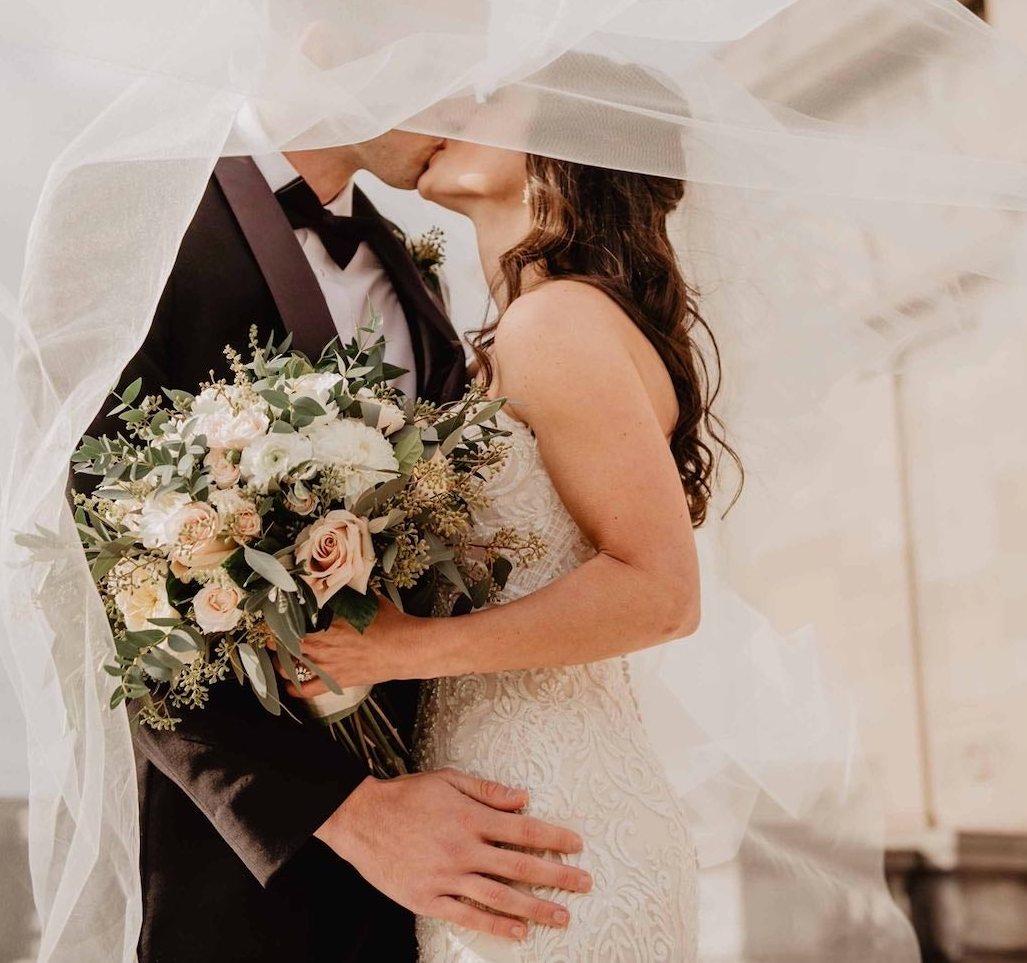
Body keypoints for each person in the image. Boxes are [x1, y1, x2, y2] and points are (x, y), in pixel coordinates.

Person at [70, 0, 591, 963]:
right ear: (328, 43)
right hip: (242, 874)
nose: (464, 95)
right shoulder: (127, 216)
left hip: (452, 867)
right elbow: (91, 563)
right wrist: (348, 812)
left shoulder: (418, 284)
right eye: (440, 58)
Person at [286, 59, 721, 959]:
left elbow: (662, 591)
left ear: (565, 144)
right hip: (501, 809)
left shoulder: (556, 322)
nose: (444, 105)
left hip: (551, 818)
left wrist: (407, 648)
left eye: (486, 97)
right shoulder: (521, 328)